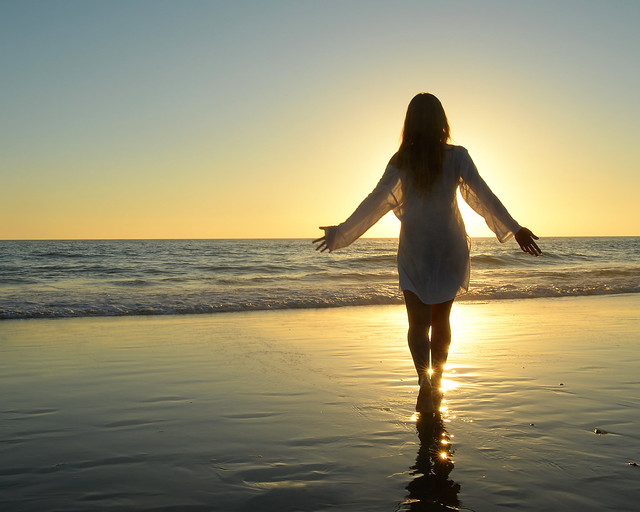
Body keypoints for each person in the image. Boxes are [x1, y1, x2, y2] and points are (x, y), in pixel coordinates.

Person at [312, 93, 541, 414]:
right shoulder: (457, 156)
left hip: (417, 248)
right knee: (441, 319)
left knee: (417, 322)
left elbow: (375, 201)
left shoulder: (402, 160)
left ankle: (424, 380)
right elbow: (483, 195)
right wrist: (514, 229)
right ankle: (437, 380)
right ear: (441, 121)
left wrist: (341, 233)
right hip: (448, 246)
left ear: (410, 123)